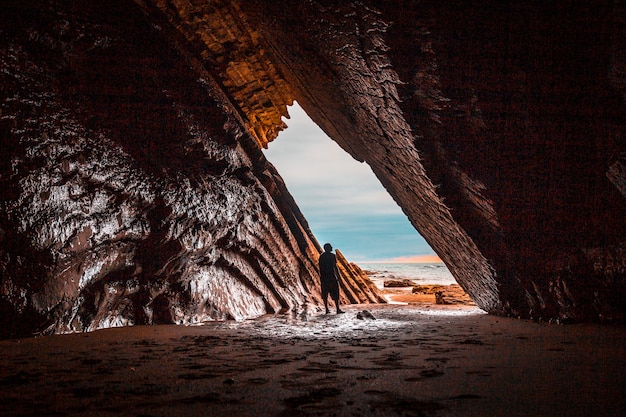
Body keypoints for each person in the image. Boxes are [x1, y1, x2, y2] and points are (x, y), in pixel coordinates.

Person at [318, 243, 344, 314]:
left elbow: (320, 268)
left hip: (324, 277)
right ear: (328, 248)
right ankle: (337, 309)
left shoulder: (321, 256)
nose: (332, 247)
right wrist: (339, 277)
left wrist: (321, 276)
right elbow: (335, 267)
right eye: (330, 247)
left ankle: (327, 309)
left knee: (325, 293)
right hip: (331, 276)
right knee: (336, 292)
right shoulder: (332, 256)